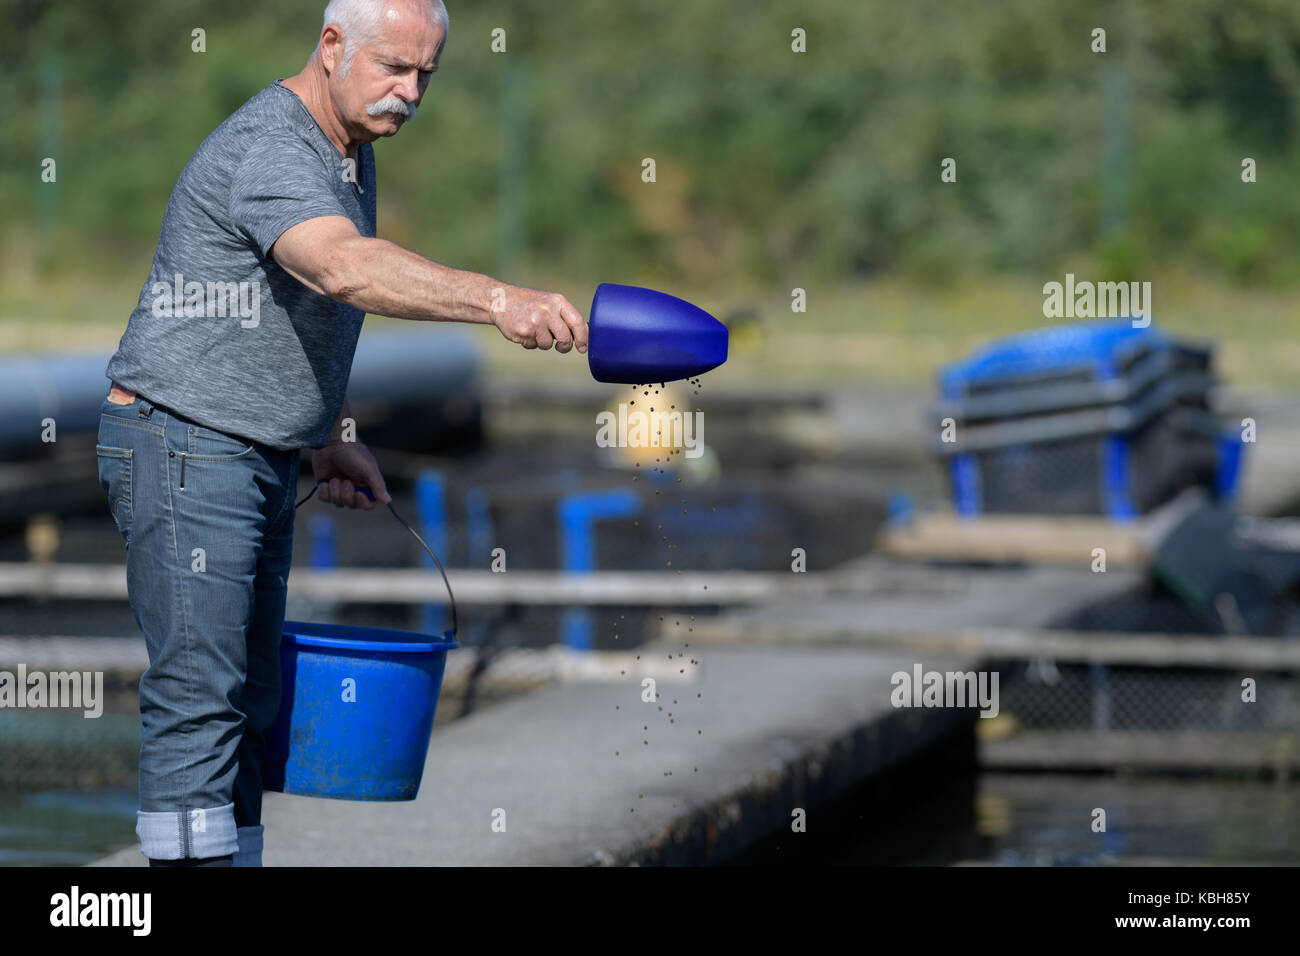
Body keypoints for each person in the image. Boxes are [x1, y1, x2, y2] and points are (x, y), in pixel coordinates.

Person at [96, 0, 587, 866]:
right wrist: (498, 300)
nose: (410, 92)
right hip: (184, 441)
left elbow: (285, 316)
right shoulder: (275, 147)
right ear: (331, 47)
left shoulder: (347, 149)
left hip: (256, 446)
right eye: (394, 68)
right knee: (198, 697)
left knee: (251, 699)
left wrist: (325, 432)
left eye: (426, 73)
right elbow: (338, 267)